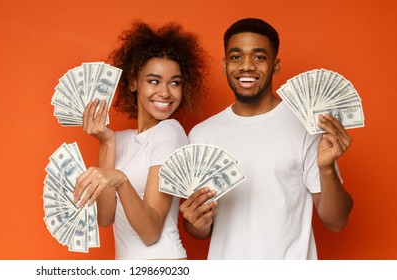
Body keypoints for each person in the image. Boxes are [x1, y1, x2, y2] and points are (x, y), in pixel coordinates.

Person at [180, 18, 353, 259]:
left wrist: (326, 169)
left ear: (276, 65)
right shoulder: (202, 134)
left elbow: (336, 222)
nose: (247, 66)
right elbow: (199, 231)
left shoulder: (306, 127)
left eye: (259, 57)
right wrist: (195, 220)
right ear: (224, 65)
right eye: (236, 57)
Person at [72, 20, 209, 259]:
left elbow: (151, 231)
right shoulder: (120, 139)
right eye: (154, 81)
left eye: (174, 83)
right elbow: (105, 217)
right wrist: (106, 143)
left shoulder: (169, 133)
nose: (165, 93)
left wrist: (121, 180)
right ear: (134, 82)